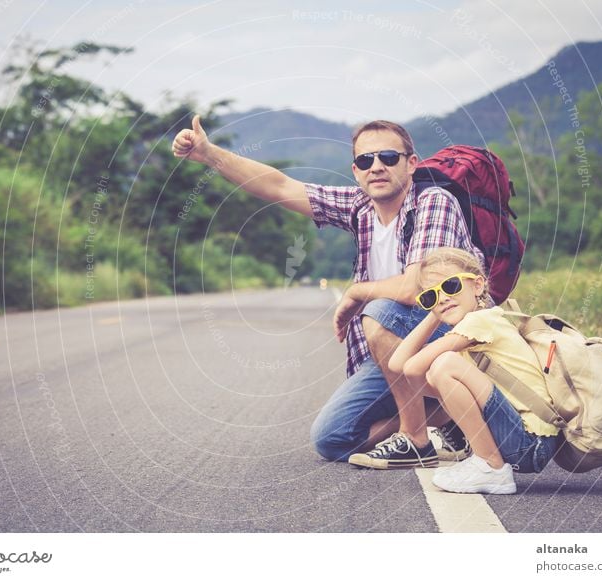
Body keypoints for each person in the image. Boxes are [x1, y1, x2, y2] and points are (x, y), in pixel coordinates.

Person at [172, 116, 483, 464]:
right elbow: (279, 187)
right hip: (395, 350)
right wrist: (209, 153)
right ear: (355, 170)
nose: (376, 167)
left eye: (388, 158)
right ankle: (448, 411)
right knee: (332, 439)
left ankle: (416, 439)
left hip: (450, 338)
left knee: (377, 310)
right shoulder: (360, 208)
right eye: (366, 160)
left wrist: (356, 292)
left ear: (411, 164)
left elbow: (414, 289)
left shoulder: (433, 203)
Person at [349, 247, 558, 494]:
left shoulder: (481, 320)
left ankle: (491, 467)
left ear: (478, 285)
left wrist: (437, 311)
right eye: (431, 296)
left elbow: (411, 367)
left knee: (443, 365)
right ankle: (487, 461)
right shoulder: (467, 328)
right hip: (522, 443)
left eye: (450, 287)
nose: (443, 298)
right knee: (440, 369)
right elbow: (397, 365)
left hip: (531, 442)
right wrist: (436, 313)